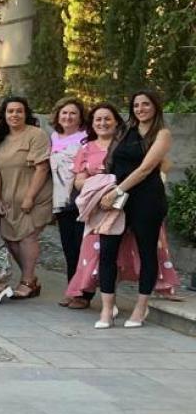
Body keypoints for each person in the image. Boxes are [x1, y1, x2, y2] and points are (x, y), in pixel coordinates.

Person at [65, 102, 181, 309]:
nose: (102, 123)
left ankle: (139, 301)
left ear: (117, 122)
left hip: (138, 201)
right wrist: (101, 182)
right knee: (102, 253)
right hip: (106, 205)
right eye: (98, 119)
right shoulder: (87, 148)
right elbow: (78, 180)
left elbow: (162, 165)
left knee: (137, 251)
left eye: (107, 118)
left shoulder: (132, 141)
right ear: (91, 123)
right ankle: (100, 300)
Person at [94, 91, 173, 330]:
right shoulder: (125, 131)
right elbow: (111, 160)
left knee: (147, 252)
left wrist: (117, 191)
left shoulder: (162, 134)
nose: (140, 109)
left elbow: (146, 168)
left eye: (145, 104)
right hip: (117, 200)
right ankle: (107, 309)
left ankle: (141, 307)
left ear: (155, 107)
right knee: (107, 252)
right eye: (136, 105)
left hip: (146, 199)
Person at [0, 96, 52, 300]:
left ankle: (26, 281)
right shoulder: (2, 138)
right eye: (10, 111)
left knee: (27, 237)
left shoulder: (36, 135)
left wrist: (29, 197)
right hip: (9, 199)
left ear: (26, 113)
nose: (14, 115)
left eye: (19, 111)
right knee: (10, 240)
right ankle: (31, 278)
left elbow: (42, 167)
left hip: (34, 198)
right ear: (4, 115)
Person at [49, 97, 87, 285]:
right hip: (61, 200)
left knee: (81, 247)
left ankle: (82, 291)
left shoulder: (86, 138)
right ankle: (72, 288)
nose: (68, 116)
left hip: (80, 199)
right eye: (64, 112)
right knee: (68, 248)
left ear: (80, 117)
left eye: (73, 113)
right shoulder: (53, 137)